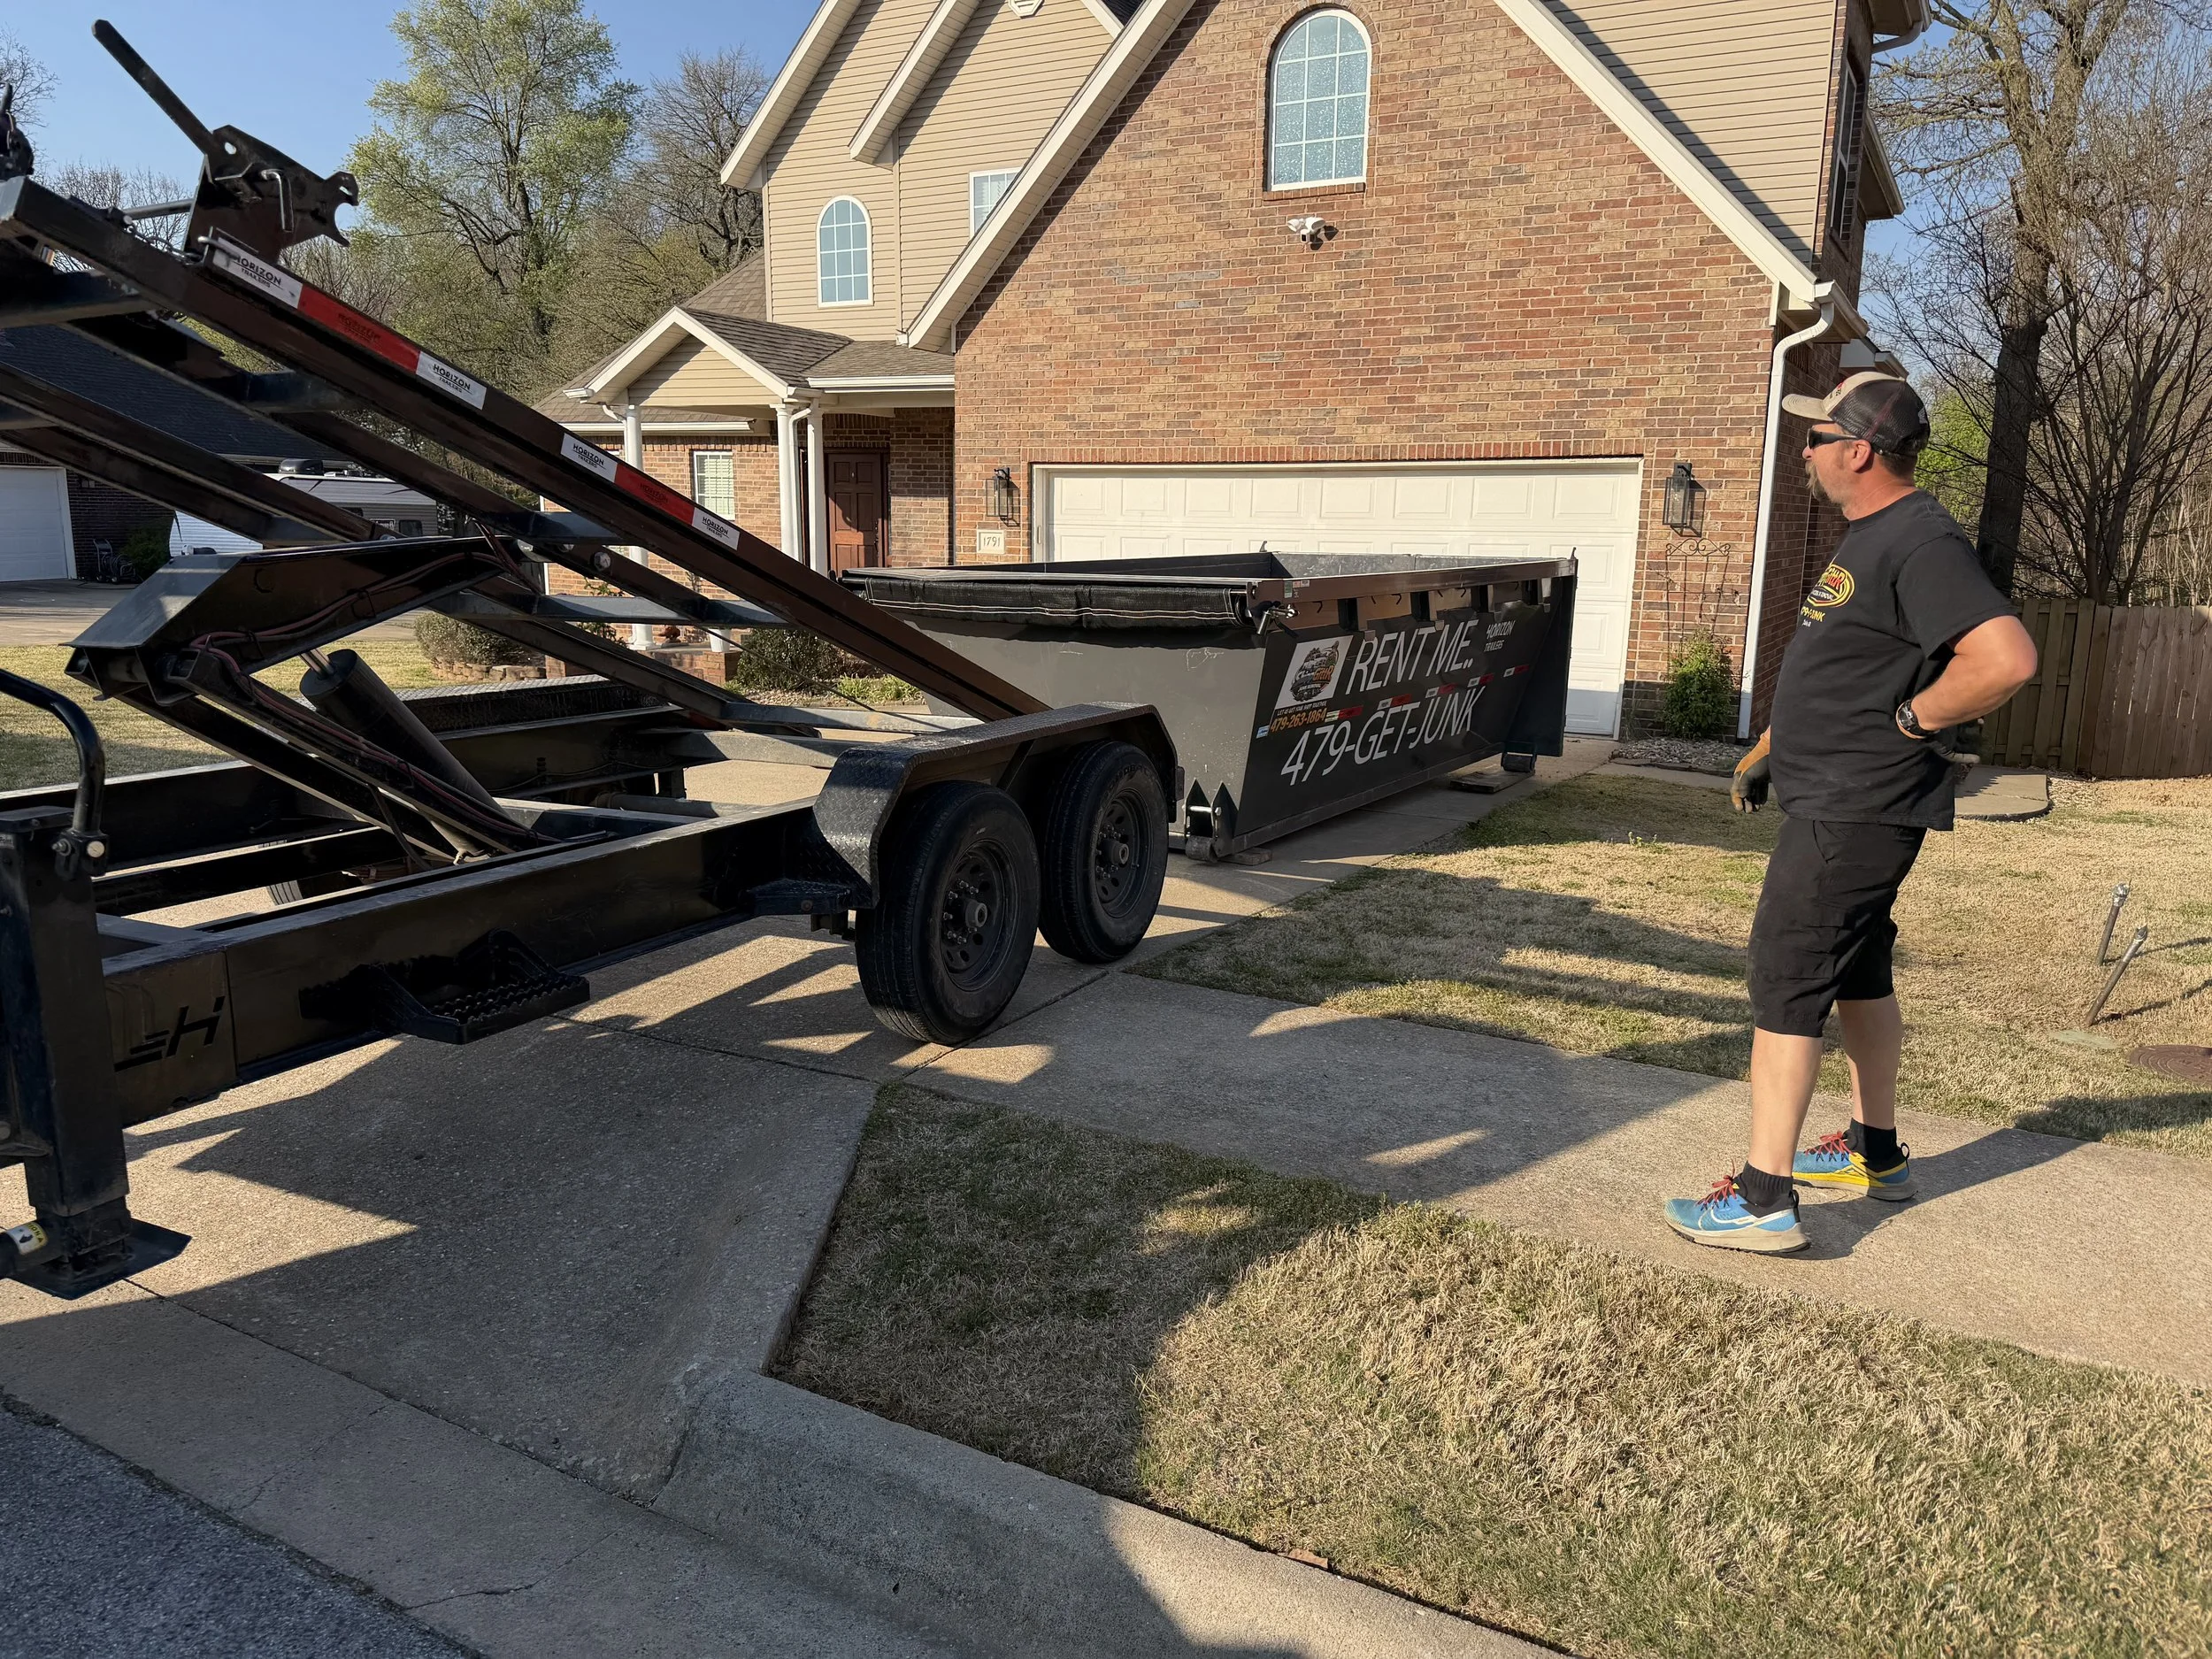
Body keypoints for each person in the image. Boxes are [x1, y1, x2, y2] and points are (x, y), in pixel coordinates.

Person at [1663, 372, 2039, 1253]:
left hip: (1854, 809)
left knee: (1788, 978)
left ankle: (1761, 1199)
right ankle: (1874, 1151)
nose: (1803, 452)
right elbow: (1848, 665)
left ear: (1859, 449)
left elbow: (2006, 658)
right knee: (1859, 970)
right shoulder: (1871, 537)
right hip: (1839, 796)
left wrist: (1914, 719)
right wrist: (1769, 749)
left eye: (1814, 437)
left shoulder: (1917, 541)